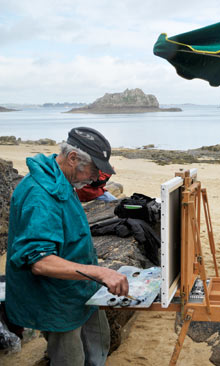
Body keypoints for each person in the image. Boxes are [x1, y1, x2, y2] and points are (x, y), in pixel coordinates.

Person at [6, 127, 129, 366]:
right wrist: (101, 272)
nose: (96, 178)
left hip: (82, 288)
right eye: (94, 170)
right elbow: (41, 262)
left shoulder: (61, 178)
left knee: (98, 346)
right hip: (56, 298)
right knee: (70, 359)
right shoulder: (39, 194)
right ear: (73, 158)